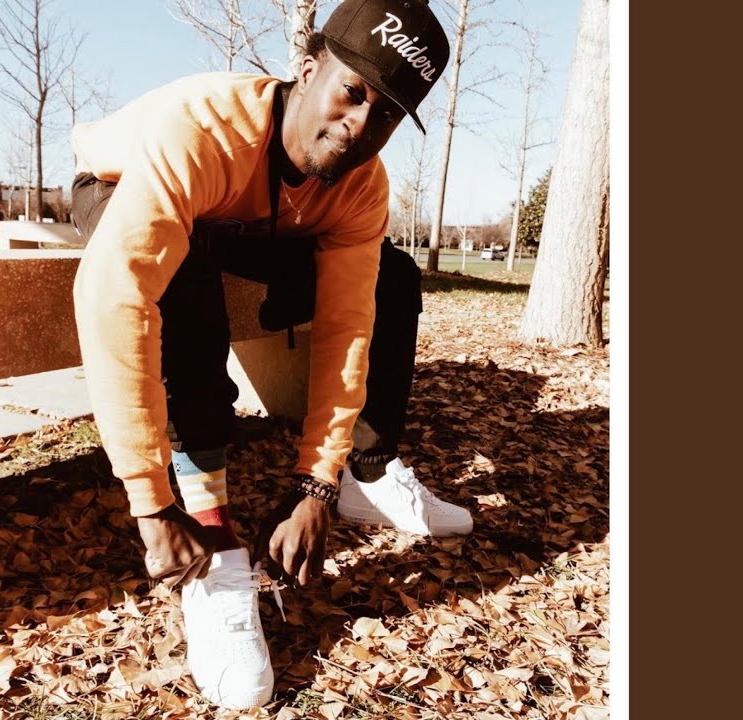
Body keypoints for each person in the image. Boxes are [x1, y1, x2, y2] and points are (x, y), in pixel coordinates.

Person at [69, 0, 465, 709]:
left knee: (393, 277)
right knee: (185, 275)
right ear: (308, 71)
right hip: (122, 180)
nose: (358, 126)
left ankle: (367, 473)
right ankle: (214, 543)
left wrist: (318, 480)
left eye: (385, 115)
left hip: (255, 215)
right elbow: (114, 298)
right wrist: (150, 503)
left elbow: (347, 326)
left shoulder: (362, 183)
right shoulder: (202, 129)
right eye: (352, 92)